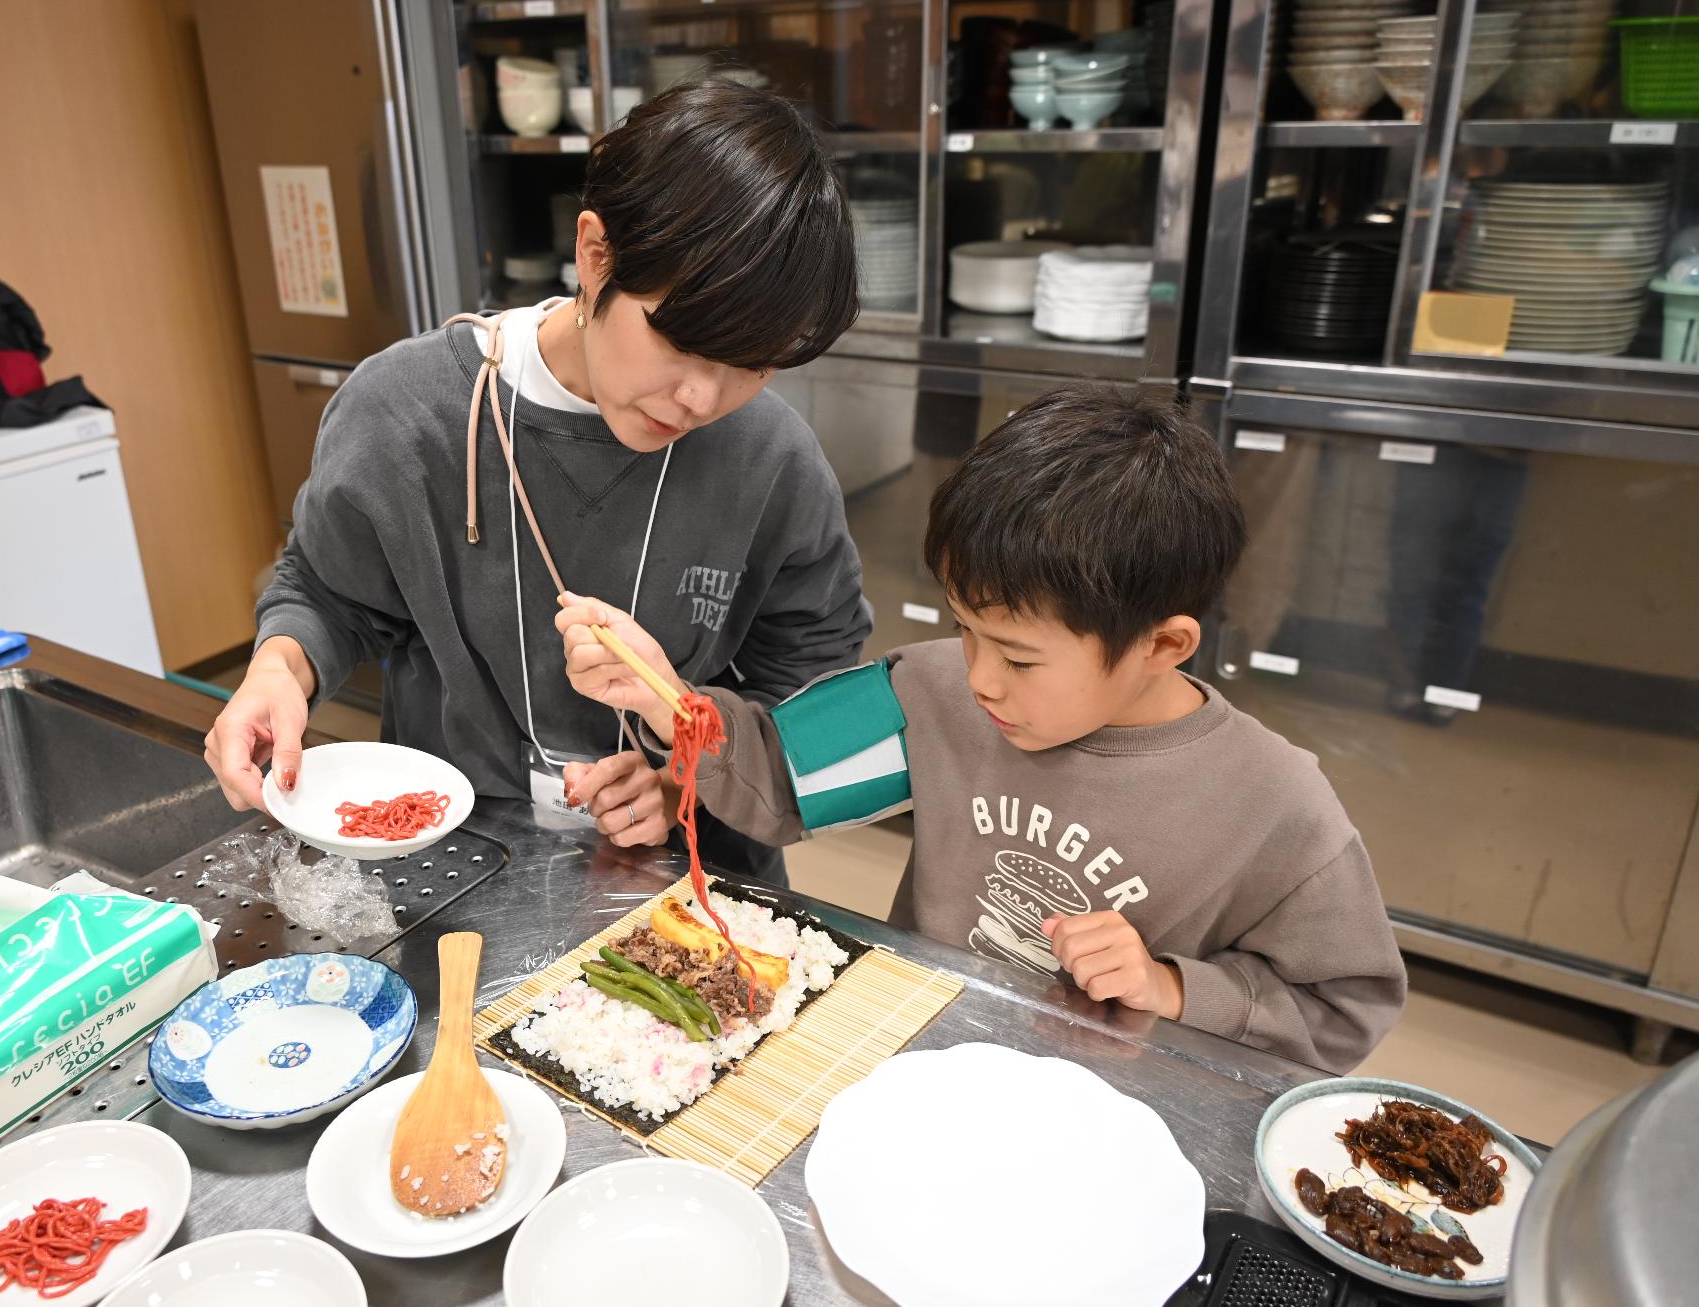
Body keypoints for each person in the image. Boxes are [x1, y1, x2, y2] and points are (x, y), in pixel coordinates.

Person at [556, 386, 1408, 1072]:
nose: (979, 677)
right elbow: (782, 777)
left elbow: (1340, 1011)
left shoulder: (1276, 804)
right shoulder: (932, 691)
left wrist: (1172, 985)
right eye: (965, 628)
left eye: (1020, 657)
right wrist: (669, 698)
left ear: (1164, 644)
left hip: (1110, 1112)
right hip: (923, 1062)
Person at [205, 79, 871, 879]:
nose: (702, 398)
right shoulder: (408, 413)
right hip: (457, 866)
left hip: (688, 879)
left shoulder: (773, 459)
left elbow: (817, 689)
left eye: (751, 364)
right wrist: (278, 669)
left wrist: (686, 776)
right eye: (682, 343)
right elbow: (326, 588)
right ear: (597, 254)